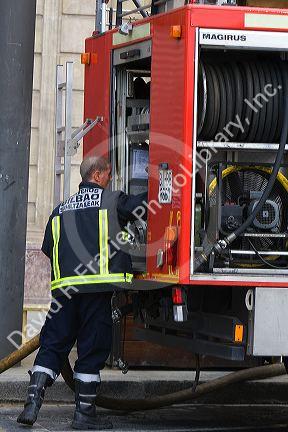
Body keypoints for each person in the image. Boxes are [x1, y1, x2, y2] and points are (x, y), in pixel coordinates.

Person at [17, 156, 147, 430]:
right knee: (91, 348)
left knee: (52, 344)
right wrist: (164, 186)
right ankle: (84, 416)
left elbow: (47, 248)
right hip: (96, 292)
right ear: (97, 175)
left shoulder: (59, 209)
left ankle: (32, 403)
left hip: (65, 292)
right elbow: (142, 207)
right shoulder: (112, 201)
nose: (110, 179)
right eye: (108, 174)